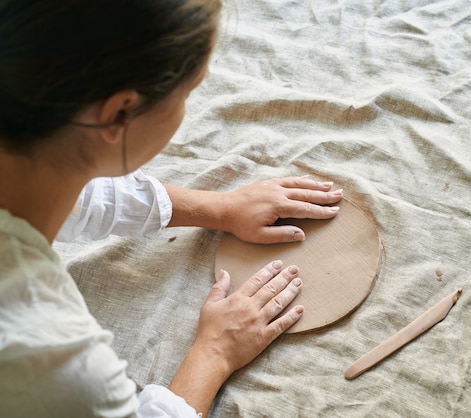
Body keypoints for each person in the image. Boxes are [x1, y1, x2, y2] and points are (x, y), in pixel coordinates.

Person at [0, 1, 342, 417]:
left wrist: (219, 208)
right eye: (189, 93)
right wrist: (214, 353)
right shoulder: (55, 362)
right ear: (121, 113)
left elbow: (63, 183)